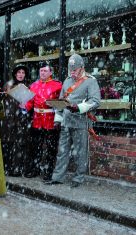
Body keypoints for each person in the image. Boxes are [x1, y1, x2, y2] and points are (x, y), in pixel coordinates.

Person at [45, 54, 101, 187]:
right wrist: (57, 120)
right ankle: (58, 177)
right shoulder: (67, 80)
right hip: (66, 121)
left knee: (80, 153)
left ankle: (78, 178)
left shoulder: (90, 81)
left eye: (75, 70)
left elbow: (95, 101)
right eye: (71, 70)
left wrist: (79, 107)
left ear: (82, 68)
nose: (72, 72)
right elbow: (60, 101)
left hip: (80, 122)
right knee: (62, 151)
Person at [23, 61, 62, 181]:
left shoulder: (57, 85)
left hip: (50, 120)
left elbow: (61, 103)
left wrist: (58, 117)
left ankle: (49, 171)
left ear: (50, 72)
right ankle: (35, 169)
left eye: (45, 70)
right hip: (37, 120)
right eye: (41, 71)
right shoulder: (34, 85)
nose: (43, 73)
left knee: (51, 148)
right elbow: (29, 102)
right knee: (36, 147)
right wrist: (23, 107)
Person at [0, 64, 32, 177]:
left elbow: (31, 101)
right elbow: (2, 101)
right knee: (7, 143)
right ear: (15, 74)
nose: (21, 75)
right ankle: (7, 167)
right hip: (8, 119)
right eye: (19, 72)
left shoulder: (28, 86)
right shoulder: (8, 85)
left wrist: (25, 107)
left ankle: (17, 168)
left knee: (20, 144)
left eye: (23, 73)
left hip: (22, 119)